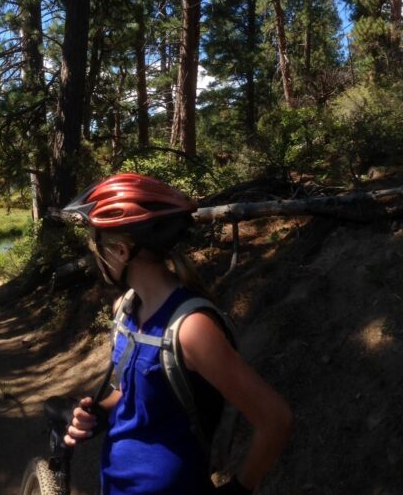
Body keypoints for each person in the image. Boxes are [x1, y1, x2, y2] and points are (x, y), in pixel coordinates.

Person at [61, 174, 293, 494]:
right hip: (116, 483)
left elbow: (275, 419)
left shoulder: (191, 329)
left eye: (96, 246)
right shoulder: (125, 309)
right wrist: (100, 412)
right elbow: (132, 393)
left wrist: (240, 488)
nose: (95, 258)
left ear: (120, 251)